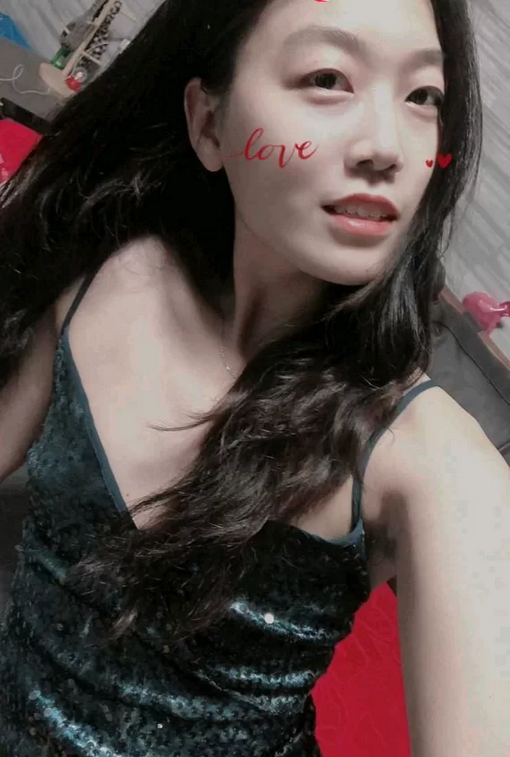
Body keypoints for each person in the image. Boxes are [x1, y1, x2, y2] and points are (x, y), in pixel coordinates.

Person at [0, 0, 508, 754]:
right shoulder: (102, 273)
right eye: (328, 78)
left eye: (422, 95)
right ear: (209, 123)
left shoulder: (431, 461)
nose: (387, 147)